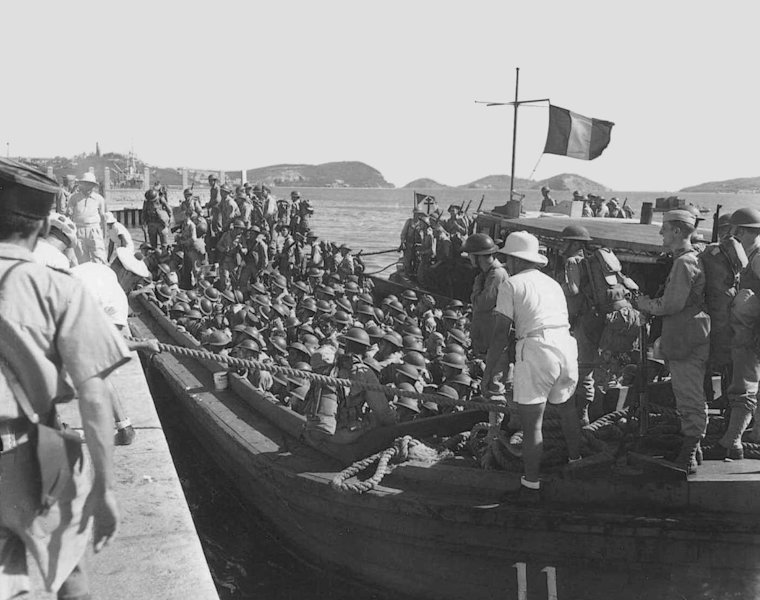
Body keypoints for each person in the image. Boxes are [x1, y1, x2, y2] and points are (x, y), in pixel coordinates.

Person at [0, 158, 130, 599]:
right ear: (41, 226)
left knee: (6, 583)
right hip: (34, 454)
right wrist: (106, 490)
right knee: (70, 576)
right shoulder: (58, 286)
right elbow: (94, 396)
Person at [483, 231, 582, 498]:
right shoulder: (552, 284)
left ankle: (531, 484)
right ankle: (577, 463)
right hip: (566, 346)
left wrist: (488, 371)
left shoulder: (511, 285)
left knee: (532, 424)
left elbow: (500, 334)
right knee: (567, 411)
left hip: (537, 349)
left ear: (514, 260)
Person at [635, 210, 710, 473]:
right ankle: (693, 450)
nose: (660, 233)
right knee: (686, 393)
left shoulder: (684, 263)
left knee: (689, 395)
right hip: (688, 334)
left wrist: (643, 303)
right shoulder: (689, 259)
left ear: (677, 231)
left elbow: (671, 304)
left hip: (686, 337)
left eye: (665, 228)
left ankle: (689, 454)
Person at [704, 208, 760, 460]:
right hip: (746, 333)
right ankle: (754, 433)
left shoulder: (757, 259)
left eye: (734, 231)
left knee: (743, 387)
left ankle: (731, 441)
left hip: (750, 337)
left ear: (742, 231)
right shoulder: (747, 257)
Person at [67, 171, 107, 264]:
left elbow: (103, 218)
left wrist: (104, 237)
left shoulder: (99, 199)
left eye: (91, 184)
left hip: (94, 230)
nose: (89, 187)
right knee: (82, 260)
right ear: (82, 184)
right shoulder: (74, 198)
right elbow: (69, 215)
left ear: (94, 186)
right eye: (86, 184)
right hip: (79, 230)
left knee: (99, 258)